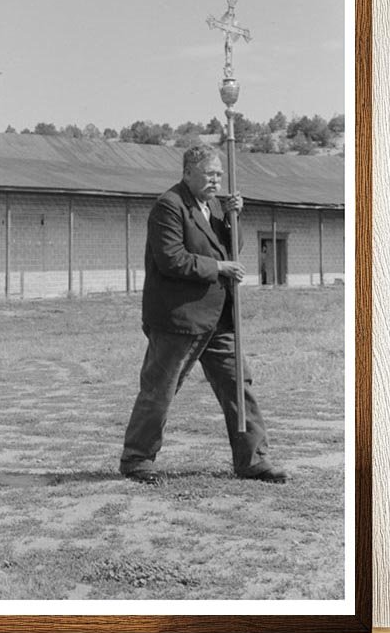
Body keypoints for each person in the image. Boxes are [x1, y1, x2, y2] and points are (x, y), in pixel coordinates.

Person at [119, 144, 288, 485]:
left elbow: (230, 249)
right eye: (209, 174)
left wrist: (234, 219)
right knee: (160, 390)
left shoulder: (213, 206)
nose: (216, 180)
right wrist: (219, 267)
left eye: (219, 174)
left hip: (219, 318)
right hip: (178, 319)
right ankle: (137, 459)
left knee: (239, 385)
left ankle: (253, 459)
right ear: (187, 173)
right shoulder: (169, 206)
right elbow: (172, 259)